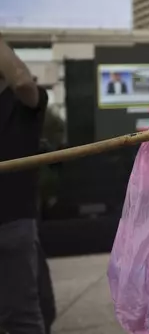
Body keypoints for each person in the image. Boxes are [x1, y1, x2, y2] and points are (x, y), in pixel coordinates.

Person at [0, 33, 49, 334]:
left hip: (12, 223)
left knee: (20, 317)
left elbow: (21, 82)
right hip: (14, 227)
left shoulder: (26, 102)